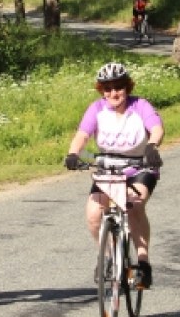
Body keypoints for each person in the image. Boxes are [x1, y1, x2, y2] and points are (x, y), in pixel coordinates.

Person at [64, 62, 164, 288]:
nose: (113, 93)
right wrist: (73, 153)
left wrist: (152, 146)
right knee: (93, 214)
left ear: (127, 87)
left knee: (135, 206)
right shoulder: (97, 109)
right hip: (109, 167)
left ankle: (142, 263)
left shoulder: (140, 106)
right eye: (107, 89)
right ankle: (108, 256)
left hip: (140, 166)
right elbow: (82, 134)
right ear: (102, 91)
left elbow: (156, 128)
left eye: (118, 87)